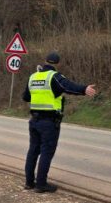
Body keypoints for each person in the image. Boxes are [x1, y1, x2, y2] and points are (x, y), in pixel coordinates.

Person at [22, 52, 97, 193]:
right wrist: (84, 89)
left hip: (34, 120)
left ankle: (29, 182)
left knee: (33, 150)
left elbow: (26, 97)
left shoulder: (33, 77)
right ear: (58, 64)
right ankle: (41, 184)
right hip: (49, 122)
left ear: (44, 61)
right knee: (46, 152)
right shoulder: (54, 77)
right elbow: (68, 86)